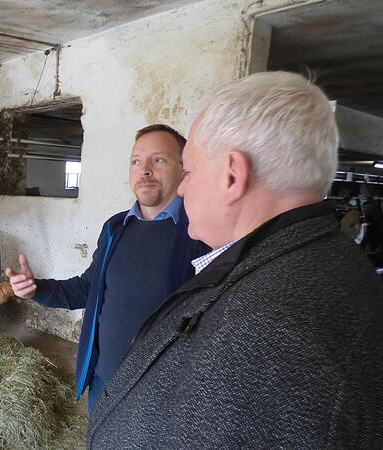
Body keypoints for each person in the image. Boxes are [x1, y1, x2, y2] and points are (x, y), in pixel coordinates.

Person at [88, 72, 383, 448]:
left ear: (232, 175)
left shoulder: (267, 326)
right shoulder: (324, 262)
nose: (182, 187)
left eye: (189, 171)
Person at [6, 124, 209, 411]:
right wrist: (36, 288)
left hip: (163, 392)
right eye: (136, 161)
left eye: (158, 160)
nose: (145, 170)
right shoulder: (116, 228)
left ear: (183, 169)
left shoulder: (199, 234)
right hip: (104, 382)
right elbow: (88, 289)